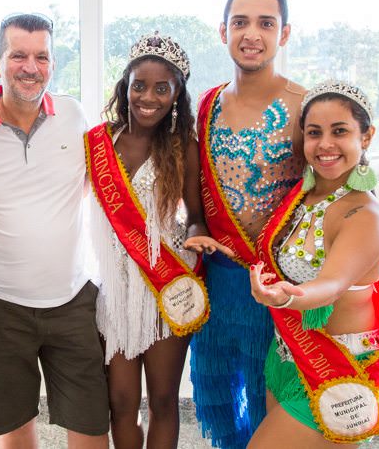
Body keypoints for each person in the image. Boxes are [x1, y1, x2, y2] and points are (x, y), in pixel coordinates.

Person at [0, 13, 109, 448]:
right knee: (15, 427)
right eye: (18, 54)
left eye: (42, 56)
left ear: (53, 64)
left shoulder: (75, 117)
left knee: (92, 423)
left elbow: (109, 185)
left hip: (72, 298)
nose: (30, 67)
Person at [87, 31, 232, 449]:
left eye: (161, 88)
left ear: (176, 95)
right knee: (121, 402)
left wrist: (197, 235)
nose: (148, 96)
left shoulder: (183, 147)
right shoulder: (99, 143)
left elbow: (195, 219)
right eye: (139, 85)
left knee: (164, 400)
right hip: (115, 291)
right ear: (125, 87)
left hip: (168, 287)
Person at [247, 81, 379, 448]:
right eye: (314, 133)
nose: (325, 145)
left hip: (338, 370)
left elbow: (332, 284)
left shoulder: (365, 215)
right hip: (288, 354)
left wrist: (288, 296)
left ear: (366, 137)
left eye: (340, 131)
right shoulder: (302, 197)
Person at [189, 0, 306, 449]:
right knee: (216, 390)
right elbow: (196, 177)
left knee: (270, 396)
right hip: (218, 277)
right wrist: (196, 222)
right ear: (223, 32)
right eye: (240, 22)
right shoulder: (209, 103)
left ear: (284, 33)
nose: (251, 34)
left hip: (278, 284)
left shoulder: (306, 105)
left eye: (264, 22)